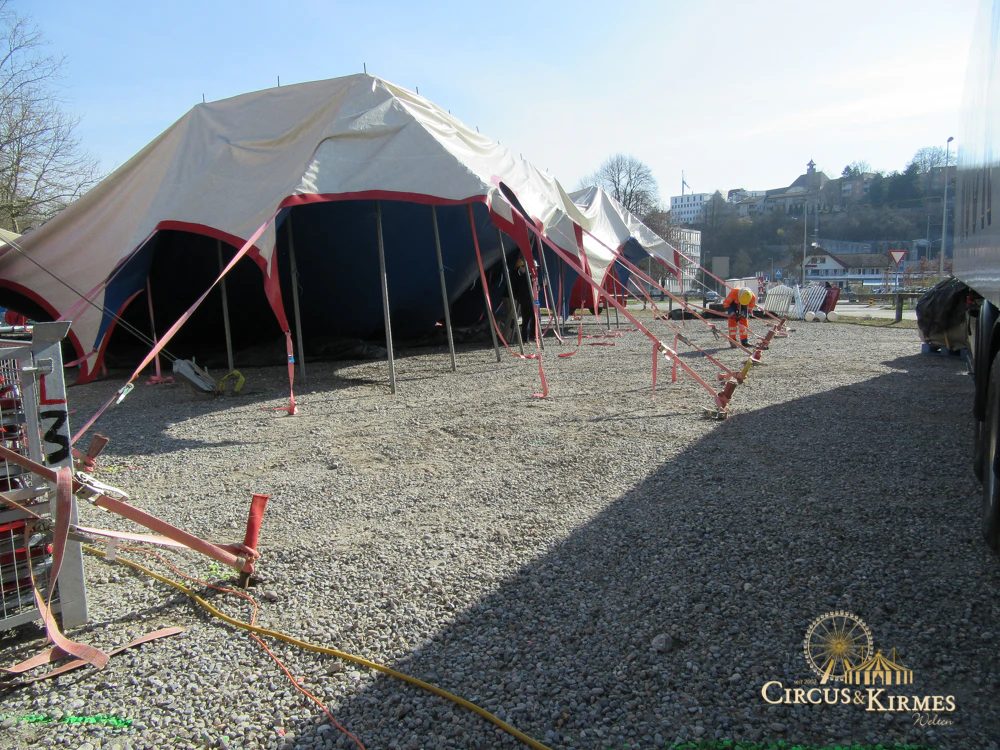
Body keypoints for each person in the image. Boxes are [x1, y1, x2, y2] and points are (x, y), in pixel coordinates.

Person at [512, 256, 536, 343]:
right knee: (534, 318)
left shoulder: (520, 277)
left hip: (523, 300)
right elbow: (534, 288)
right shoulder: (527, 277)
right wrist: (543, 285)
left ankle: (525, 338)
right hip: (529, 300)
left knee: (526, 320)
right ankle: (533, 335)